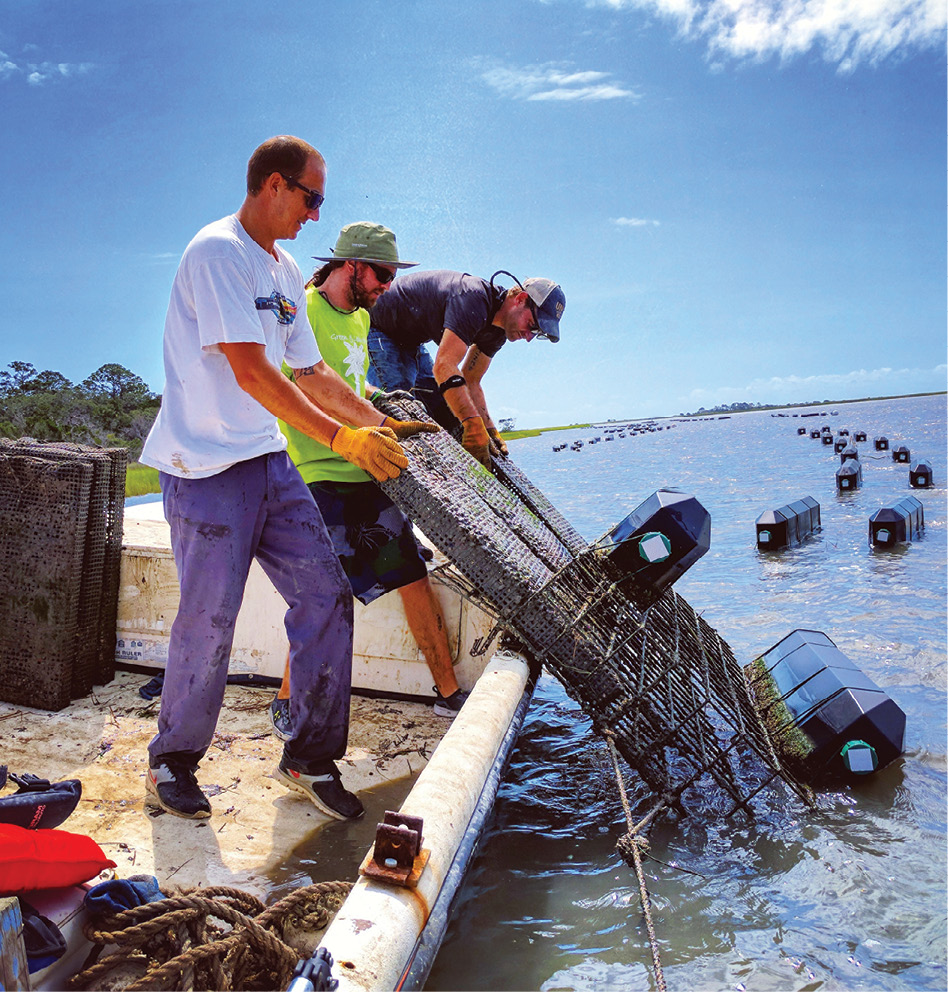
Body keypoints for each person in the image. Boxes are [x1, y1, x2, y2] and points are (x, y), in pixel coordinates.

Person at [139, 136, 430, 823]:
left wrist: (375, 424)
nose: (316, 214)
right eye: (312, 198)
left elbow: (310, 371)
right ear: (274, 185)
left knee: (327, 594)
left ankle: (307, 755)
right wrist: (340, 440)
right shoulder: (216, 253)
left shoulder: (285, 267)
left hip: (268, 462)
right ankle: (170, 762)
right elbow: (250, 369)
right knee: (209, 620)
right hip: (203, 467)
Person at [270, 222, 468, 736]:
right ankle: (287, 701)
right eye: (381, 274)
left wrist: (380, 402)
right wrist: (364, 426)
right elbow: (303, 388)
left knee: (412, 575)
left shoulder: (360, 318)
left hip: (365, 468)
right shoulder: (303, 310)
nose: (386, 285)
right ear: (350, 265)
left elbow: (351, 381)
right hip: (316, 474)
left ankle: (449, 694)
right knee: (323, 596)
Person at [367, 269, 565, 466]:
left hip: (411, 340)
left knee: (446, 412)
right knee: (403, 408)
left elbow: (471, 380)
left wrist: (488, 429)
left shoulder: (498, 332)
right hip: (378, 327)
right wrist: (471, 422)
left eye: (537, 332)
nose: (529, 337)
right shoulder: (474, 298)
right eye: (531, 325)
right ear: (520, 299)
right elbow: (444, 366)